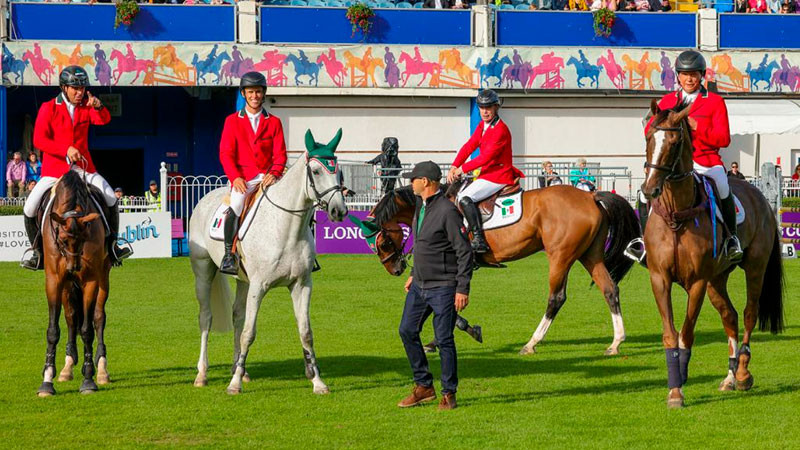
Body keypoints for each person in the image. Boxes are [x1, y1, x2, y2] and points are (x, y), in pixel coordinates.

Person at [627, 50, 742, 265]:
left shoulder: (715, 102)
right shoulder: (667, 100)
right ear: (678, 76)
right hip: (672, 163)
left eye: (694, 74)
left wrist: (699, 129)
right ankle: (641, 242)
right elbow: (650, 130)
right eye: (684, 74)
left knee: (723, 184)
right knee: (644, 194)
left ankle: (731, 239)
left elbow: (724, 138)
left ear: (701, 76)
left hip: (706, 160)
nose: (689, 79)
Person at [22, 65, 132, 270]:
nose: (80, 92)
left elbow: (104, 120)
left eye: (82, 88)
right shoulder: (48, 107)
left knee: (109, 196)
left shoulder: (87, 106)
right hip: (55, 171)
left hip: (83, 167)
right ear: (64, 88)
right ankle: (37, 252)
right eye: (75, 88)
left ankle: (114, 245)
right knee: (29, 207)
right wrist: (65, 150)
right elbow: (39, 140)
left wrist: (98, 106)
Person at [397, 161, 472, 411]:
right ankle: (424, 387)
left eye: (413, 179)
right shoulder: (421, 206)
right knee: (407, 331)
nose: (410, 182)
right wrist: (412, 273)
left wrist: (462, 288)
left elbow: (464, 252)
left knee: (444, 339)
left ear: (426, 181)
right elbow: (421, 245)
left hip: (444, 286)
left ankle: (449, 393)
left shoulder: (448, 212)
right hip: (419, 285)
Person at [218, 71, 287, 275]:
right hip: (243, 179)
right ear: (244, 94)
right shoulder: (232, 121)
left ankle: (305, 252)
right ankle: (229, 255)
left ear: (263, 94)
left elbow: (281, 155)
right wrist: (235, 177)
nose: (254, 96)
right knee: (237, 204)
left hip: (268, 178)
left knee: (292, 202)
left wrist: (274, 173)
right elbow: (226, 153)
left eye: (258, 92)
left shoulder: (274, 122)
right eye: (250, 92)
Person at [448, 89, 523, 254]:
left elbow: (485, 158)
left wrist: (462, 169)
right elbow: (470, 145)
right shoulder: (483, 125)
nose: (485, 111)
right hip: (488, 174)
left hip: (498, 176)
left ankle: (478, 239)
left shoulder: (500, 130)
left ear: (496, 108)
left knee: (464, 197)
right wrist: (455, 165)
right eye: (481, 107)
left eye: (488, 107)